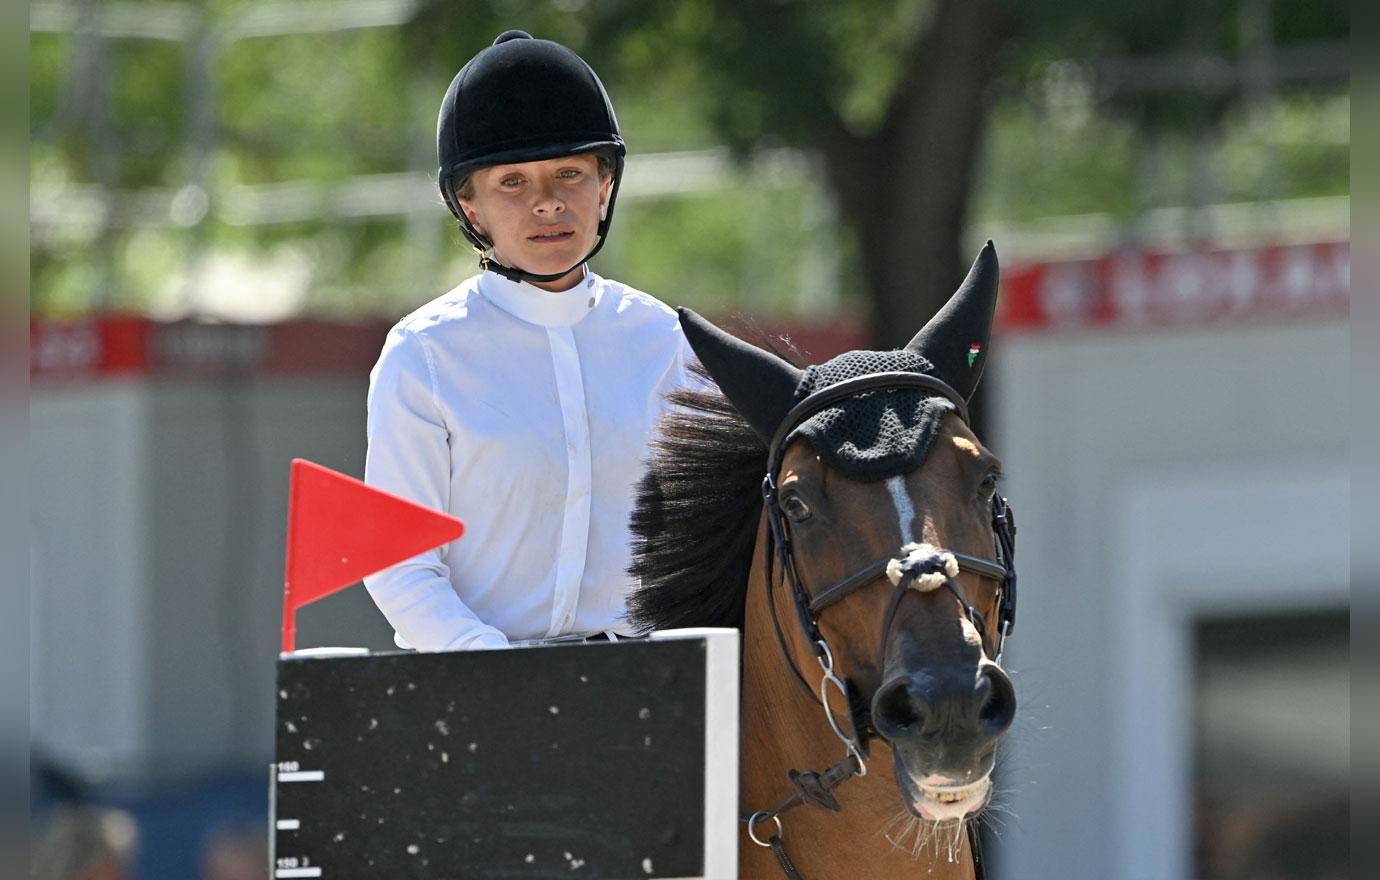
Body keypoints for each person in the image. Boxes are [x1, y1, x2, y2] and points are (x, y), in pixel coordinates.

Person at [362, 31, 701, 652]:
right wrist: (489, 665)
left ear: (604, 188)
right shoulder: (423, 357)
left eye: (569, 173)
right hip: (470, 680)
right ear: (470, 207)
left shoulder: (667, 343)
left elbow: (703, 534)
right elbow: (398, 562)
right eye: (512, 183)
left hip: (644, 679)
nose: (547, 203)